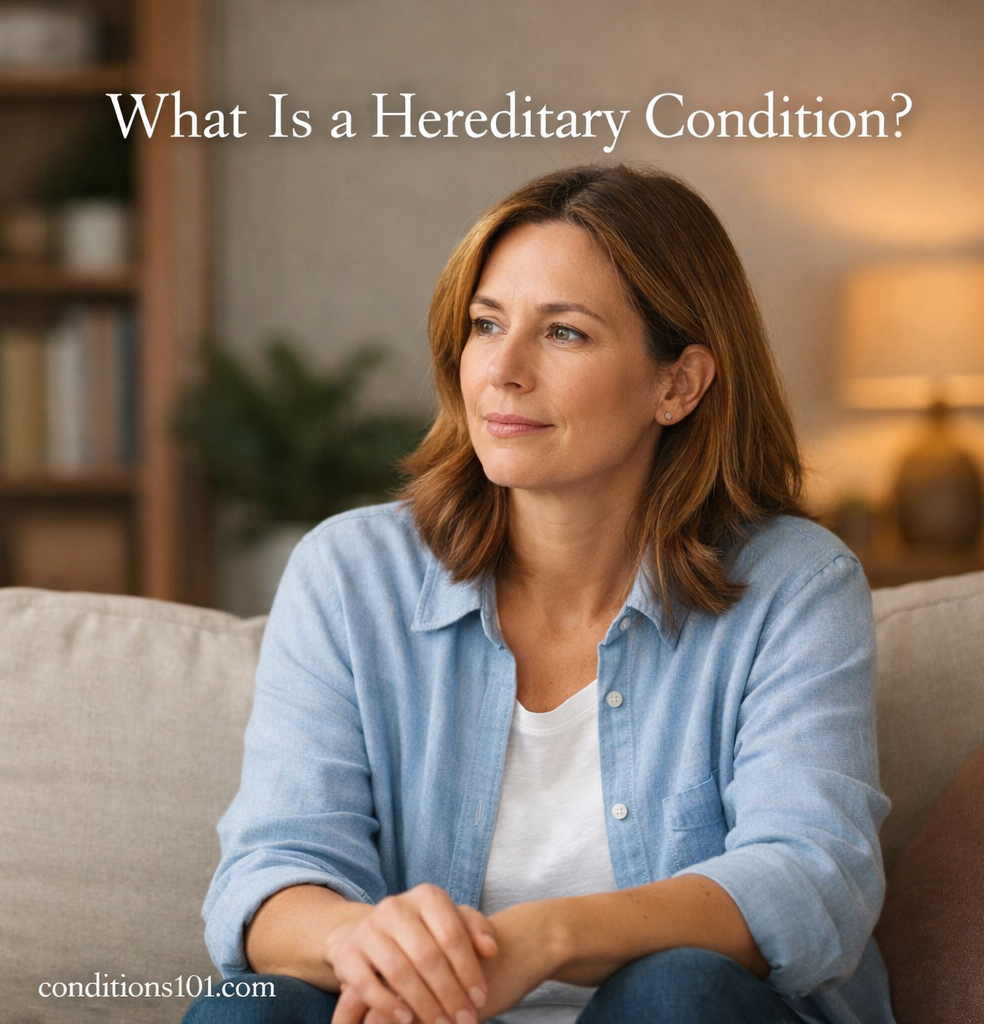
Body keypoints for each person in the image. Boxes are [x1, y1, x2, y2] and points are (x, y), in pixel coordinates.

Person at [185, 164, 895, 1024]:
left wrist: (544, 938)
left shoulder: (795, 585)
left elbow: (810, 878)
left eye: (564, 334)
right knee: (252, 1009)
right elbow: (271, 869)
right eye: (487, 325)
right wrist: (356, 938)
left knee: (680, 990)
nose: (503, 371)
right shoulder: (348, 574)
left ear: (679, 383)